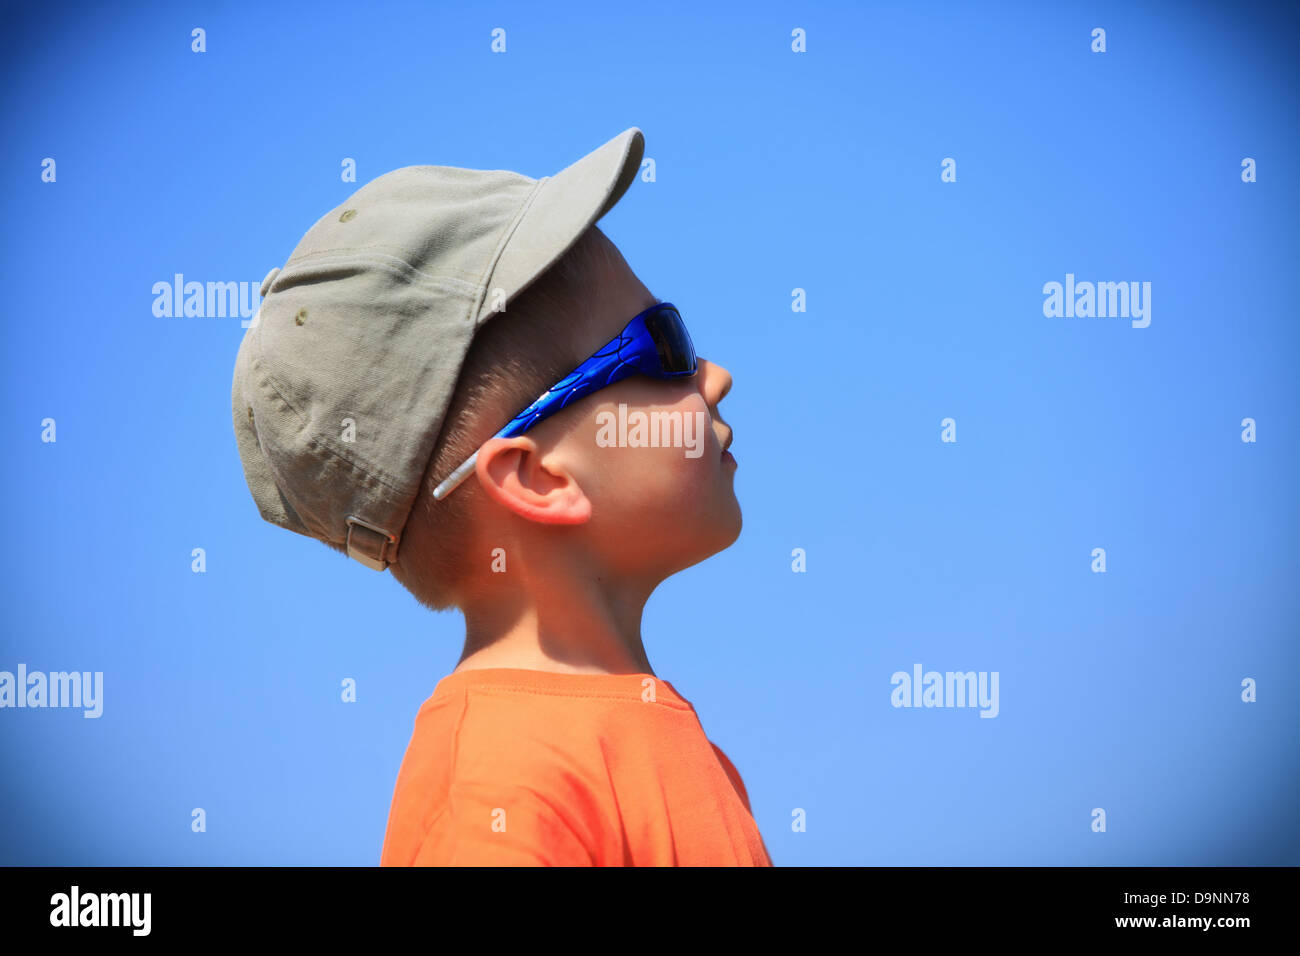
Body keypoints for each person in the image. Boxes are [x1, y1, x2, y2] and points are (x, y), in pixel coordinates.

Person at [231, 127, 771, 866]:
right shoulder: (497, 796)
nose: (716, 375)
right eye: (665, 346)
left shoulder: (654, 737)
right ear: (537, 477)